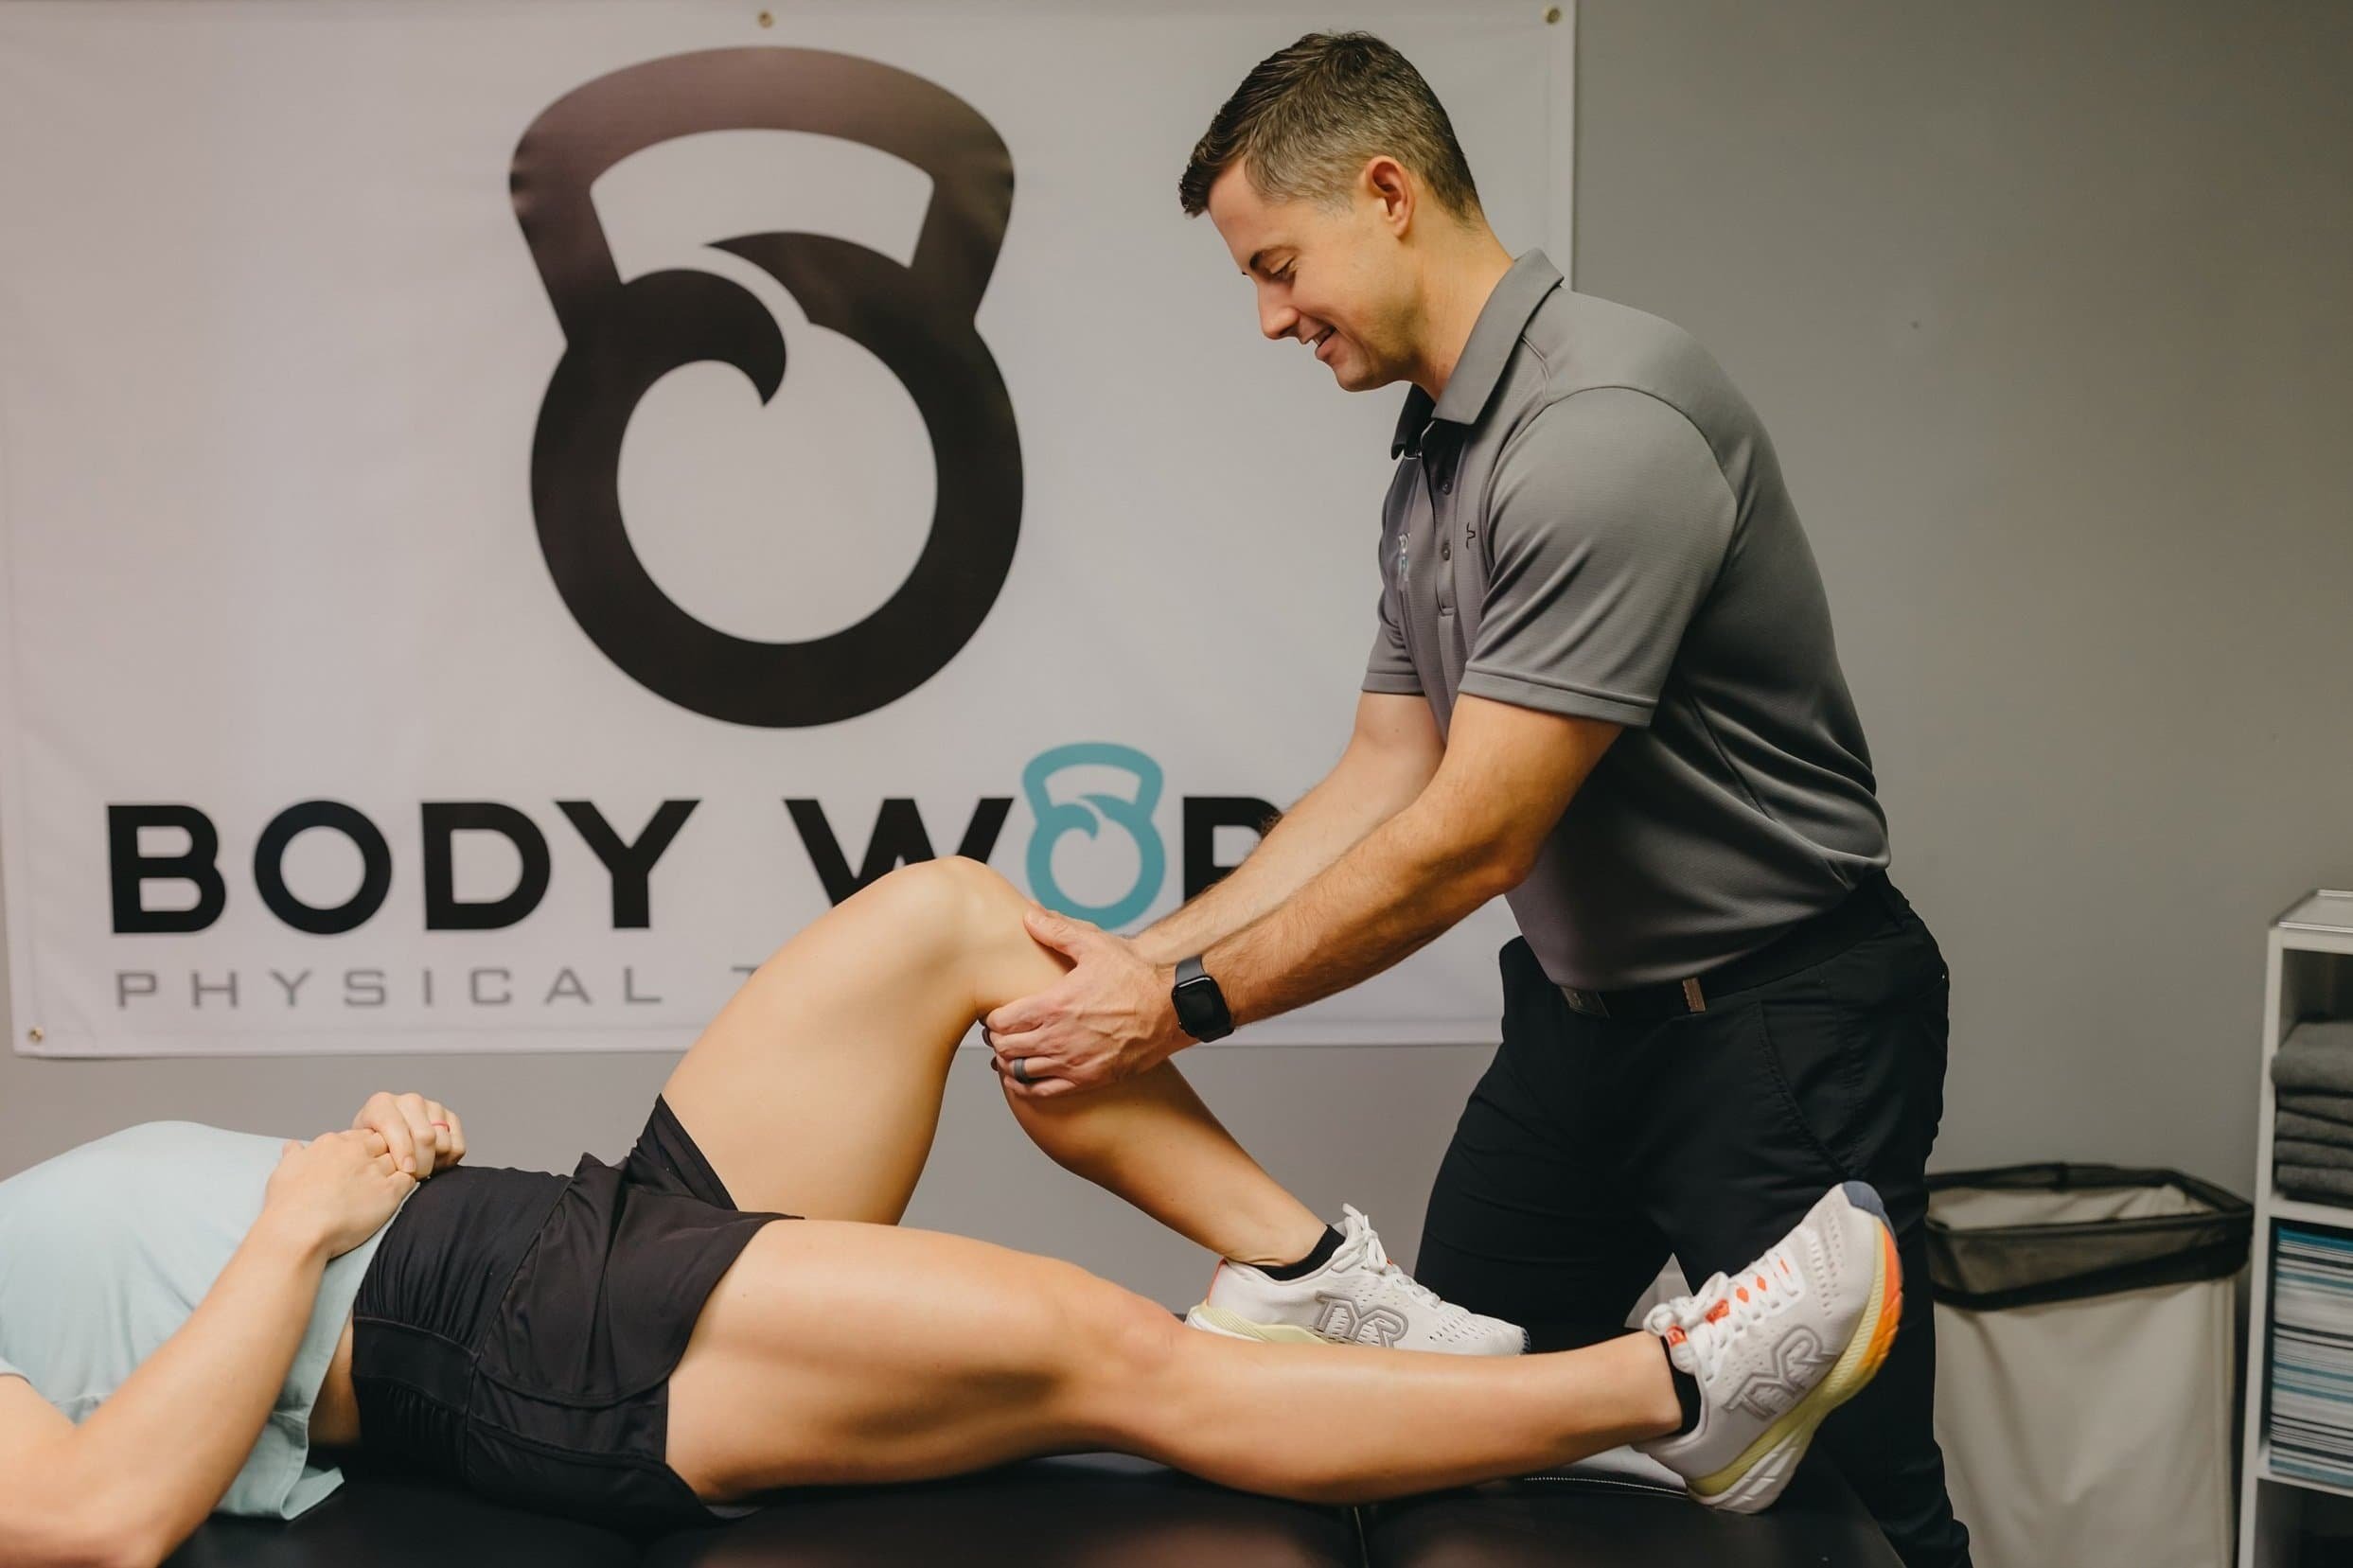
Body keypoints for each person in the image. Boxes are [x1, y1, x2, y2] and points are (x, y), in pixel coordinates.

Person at [978, 31, 1968, 1568]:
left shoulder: (1601, 429)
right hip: (1580, 1034)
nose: (1269, 316)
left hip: (1777, 1028)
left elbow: (1472, 836)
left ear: (1387, 193)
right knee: (1446, 1430)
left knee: (1855, 1499)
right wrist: (1136, 960)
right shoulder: (1437, 465)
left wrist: (1171, 1008)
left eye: (1278, 266)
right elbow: (1383, 775)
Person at [0, 856, 1901, 1566]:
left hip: (531, 1240)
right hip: (509, 1352)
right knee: (1099, 1344)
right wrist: (297, 1227)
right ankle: (1669, 1396)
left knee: (947, 920)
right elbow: (91, 1520)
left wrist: (359, 1163)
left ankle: (1316, 1278)